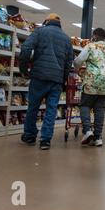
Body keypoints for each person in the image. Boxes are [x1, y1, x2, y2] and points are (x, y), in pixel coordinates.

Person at [19, 13, 74, 150]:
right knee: (51, 110)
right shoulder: (67, 39)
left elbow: (25, 48)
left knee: (33, 107)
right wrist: (63, 79)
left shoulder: (39, 32)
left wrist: (24, 69)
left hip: (39, 76)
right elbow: (69, 62)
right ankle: (45, 140)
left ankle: (30, 135)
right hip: (56, 80)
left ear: (46, 21)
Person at [74, 28, 105, 147]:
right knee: (100, 109)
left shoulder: (90, 46)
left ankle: (88, 131)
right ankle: (98, 137)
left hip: (91, 82)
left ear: (94, 36)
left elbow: (79, 60)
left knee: (85, 105)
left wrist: (77, 69)